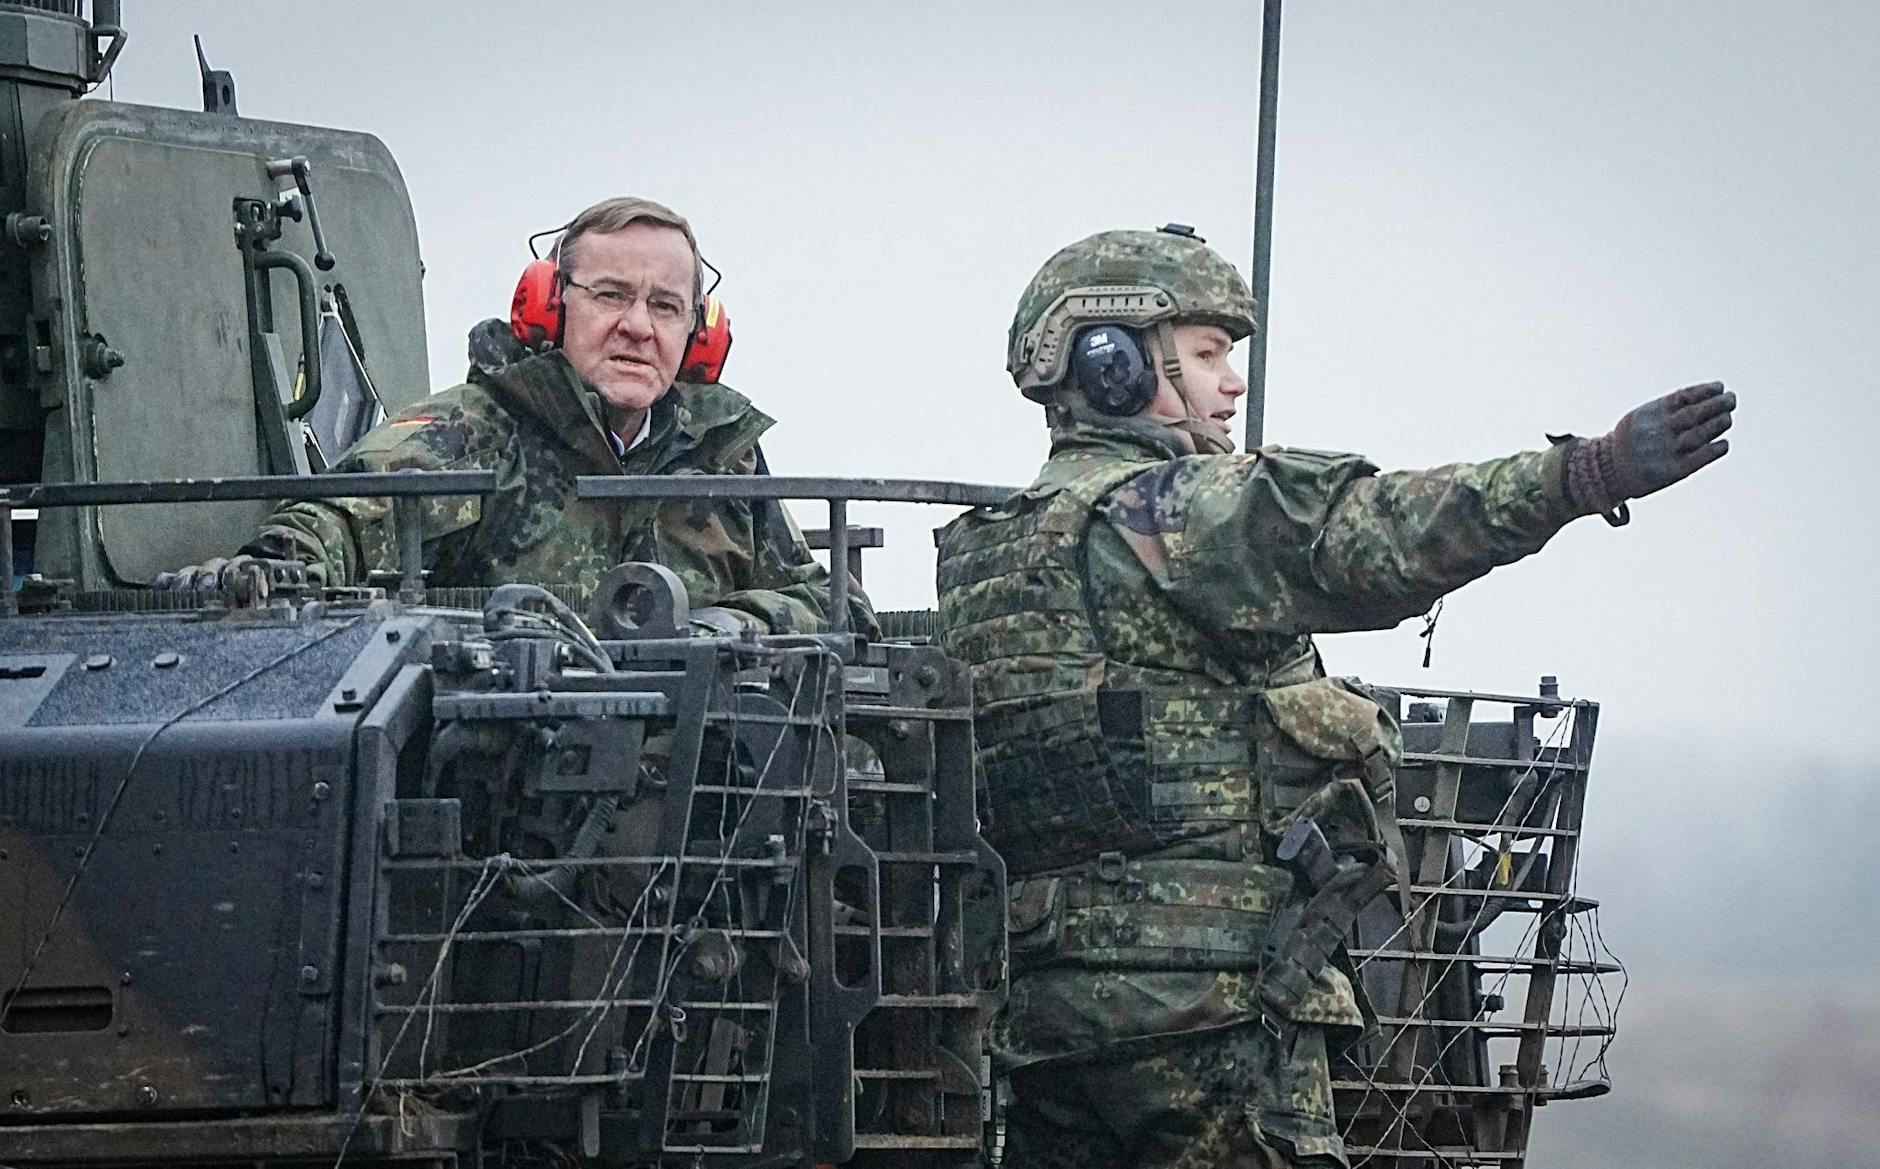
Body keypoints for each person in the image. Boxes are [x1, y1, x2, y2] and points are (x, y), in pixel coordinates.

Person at [934, 224, 1733, 1168]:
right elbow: (1376, 535)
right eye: (1207, 354)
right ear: (1113, 364)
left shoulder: (983, 554)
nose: (1233, 384)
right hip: (1209, 1012)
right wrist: (1581, 474)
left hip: (1041, 1022)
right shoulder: (1174, 513)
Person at [159, 195, 873, 637]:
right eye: (610, 295)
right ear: (549, 306)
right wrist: (264, 572)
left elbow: (828, 599)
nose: (637, 326)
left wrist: (721, 629)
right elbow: (338, 523)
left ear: (698, 331)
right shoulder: (475, 432)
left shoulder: (720, 455)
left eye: (665, 306)